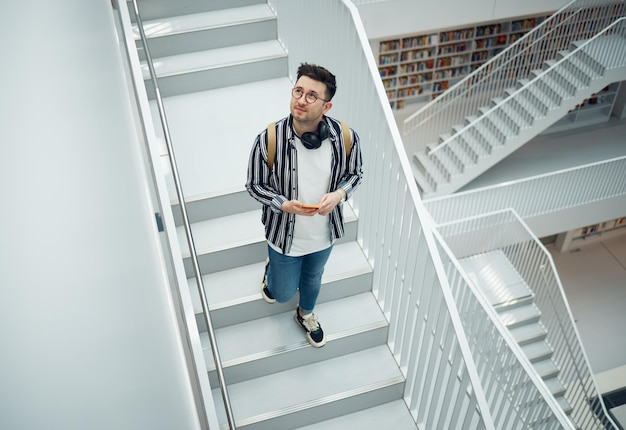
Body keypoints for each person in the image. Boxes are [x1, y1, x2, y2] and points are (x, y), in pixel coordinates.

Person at [245, 63, 363, 348]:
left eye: (312, 95)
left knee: (313, 278)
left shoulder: (345, 138)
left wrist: (339, 195)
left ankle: (306, 314)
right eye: (298, 90)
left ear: (327, 106)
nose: (301, 99)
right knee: (281, 293)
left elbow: (355, 173)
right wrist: (283, 204)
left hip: (324, 235)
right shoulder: (268, 140)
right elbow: (255, 185)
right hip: (284, 236)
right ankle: (272, 271)